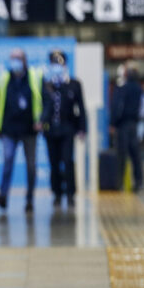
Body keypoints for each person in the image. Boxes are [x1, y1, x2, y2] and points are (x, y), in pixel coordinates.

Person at [0, 49, 43, 214]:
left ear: (25, 60)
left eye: (18, 58)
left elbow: (43, 100)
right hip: (9, 129)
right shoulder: (4, 78)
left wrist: (40, 121)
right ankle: (3, 195)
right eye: (12, 58)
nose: (15, 62)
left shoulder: (35, 77)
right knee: (8, 161)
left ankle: (29, 199)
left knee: (31, 166)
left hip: (29, 130)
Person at [41, 50, 87, 208]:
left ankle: (71, 193)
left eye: (59, 64)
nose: (57, 67)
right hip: (50, 130)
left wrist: (82, 128)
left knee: (68, 161)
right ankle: (57, 193)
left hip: (67, 128)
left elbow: (80, 107)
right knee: (53, 162)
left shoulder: (74, 84)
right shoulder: (45, 84)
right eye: (54, 63)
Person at [109, 60, 144, 192]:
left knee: (121, 155)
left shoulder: (122, 88)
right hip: (134, 124)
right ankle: (139, 182)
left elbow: (117, 107)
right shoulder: (138, 87)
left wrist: (113, 123)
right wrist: (138, 117)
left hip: (123, 125)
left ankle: (120, 184)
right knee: (135, 155)